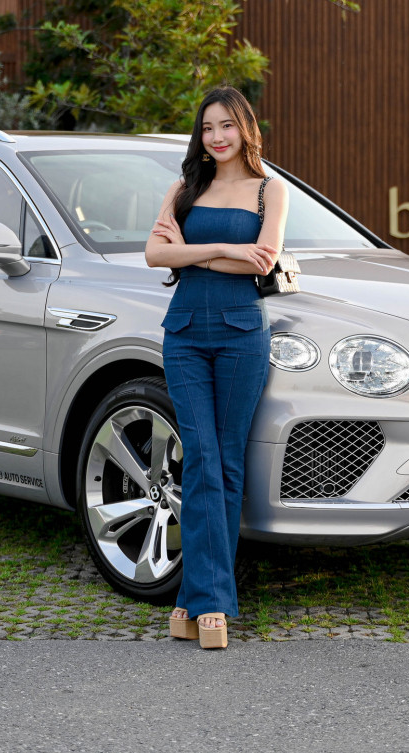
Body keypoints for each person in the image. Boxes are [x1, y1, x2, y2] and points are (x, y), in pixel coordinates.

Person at [144, 86, 289, 649]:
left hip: (240, 336)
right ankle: (211, 603)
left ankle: (196, 603)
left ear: (245, 129)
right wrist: (219, 254)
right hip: (183, 334)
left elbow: (266, 257)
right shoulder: (185, 187)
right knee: (200, 458)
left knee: (225, 466)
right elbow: (155, 255)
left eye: (227, 125)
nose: (217, 136)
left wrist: (194, 249)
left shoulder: (269, 190)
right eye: (208, 128)